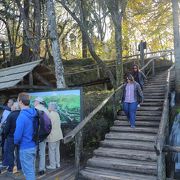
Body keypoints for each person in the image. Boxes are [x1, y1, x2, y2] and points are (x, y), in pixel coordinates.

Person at [14, 93, 37, 180]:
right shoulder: (34, 112)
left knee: (28, 172)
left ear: (20, 101)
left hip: (25, 147)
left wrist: (15, 142)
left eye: (17, 100)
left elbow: (17, 135)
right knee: (31, 170)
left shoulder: (22, 116)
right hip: (33, 145)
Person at [3, 102, 21, 177]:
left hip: (11, 137)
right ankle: (20, 167)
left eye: (13, 106)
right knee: (19, 153)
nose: (12, 107)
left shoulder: (11, 115)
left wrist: (5, 135)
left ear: (15, 107)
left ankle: (11, 168)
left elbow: (6, 127)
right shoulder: (22, 114)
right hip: (20, 137)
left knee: (10, 153)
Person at [34, 97, 50, 175]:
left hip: (35, 135)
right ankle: (42, 169)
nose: (34, 102)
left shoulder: (34, 109)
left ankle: (32, 170)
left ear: (38, 102)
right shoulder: (46, 110)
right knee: (42, 153)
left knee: (33, 153)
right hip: (43, 135)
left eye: (35, 101)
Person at [46, 102, 63, 169]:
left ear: (51, 107)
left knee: (51, 151)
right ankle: (58, 163)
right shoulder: (57, 114)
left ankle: (53, 165)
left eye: (49, 106)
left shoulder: (50, 115)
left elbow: (49, 126)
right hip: (58, 135)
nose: (48, 106)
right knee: (57, 150)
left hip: (52, 135)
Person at [0, 99, 14, 163]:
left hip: (7, 131)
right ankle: (3, 159)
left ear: (12, 103)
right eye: (8, 102)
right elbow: (2, 118)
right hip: (2, 130)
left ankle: (6, 160)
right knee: (2, 145)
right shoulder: (5, 110)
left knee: (6, 146)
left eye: (9, 102)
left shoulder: (11, 111)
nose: (8, 103)